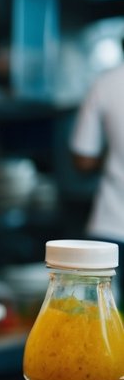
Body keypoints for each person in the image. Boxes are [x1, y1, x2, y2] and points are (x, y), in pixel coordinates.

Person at [70, 53, 124, 259]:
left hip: (113, 221)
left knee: (102, 290)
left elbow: (84, 160)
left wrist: (111, 158)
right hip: (111, 226)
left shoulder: (106, 82)